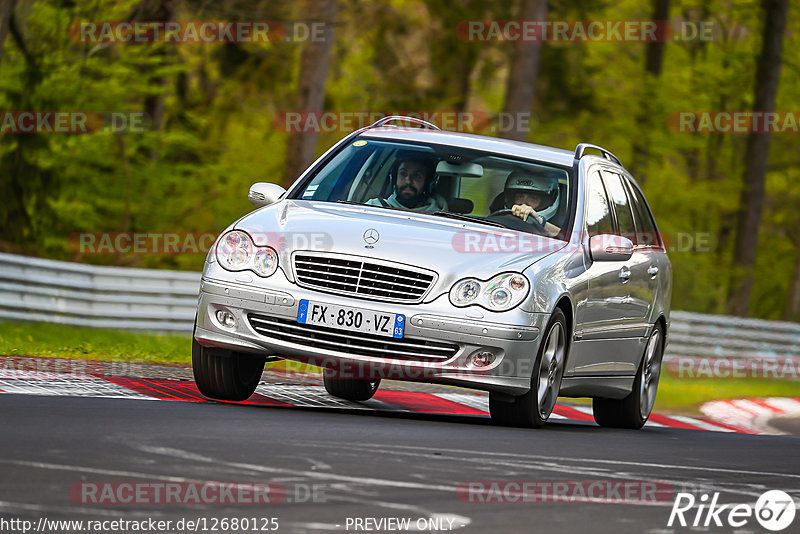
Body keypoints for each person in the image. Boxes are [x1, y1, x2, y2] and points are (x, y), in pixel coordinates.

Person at [366, 153, 448, 212]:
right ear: (394, 179)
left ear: (426, 183)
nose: (408, 181)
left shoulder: (440, 217)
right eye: (403, 174)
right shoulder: (373, 208)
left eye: (417, 176)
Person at [500, 169, 562, 237]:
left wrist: (539, 221)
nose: (524, 203)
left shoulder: (569, 222)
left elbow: (564, 238)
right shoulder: (498, 219)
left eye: (533, 198)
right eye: (519, 196)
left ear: (549, 200)